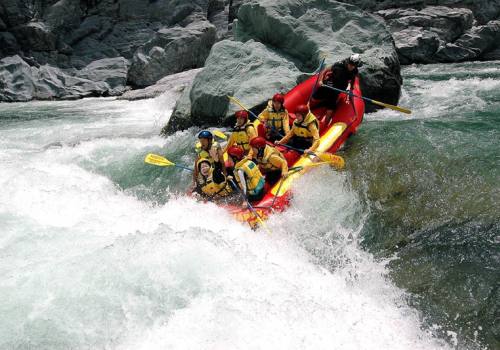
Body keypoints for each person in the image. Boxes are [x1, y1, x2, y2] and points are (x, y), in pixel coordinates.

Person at [312, 53, 363, 124]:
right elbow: (325, 70)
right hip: (329, 84)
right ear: (348, 62)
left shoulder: (354, 71)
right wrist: (320, 80)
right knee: (313, 99)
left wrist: (350, 90)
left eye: (353, 65)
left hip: (338, 89)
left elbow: (352, 81)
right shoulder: (339, 65)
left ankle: (324, 125)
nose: (351, 66)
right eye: (350, 64)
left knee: (330, 110)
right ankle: (314, 107)